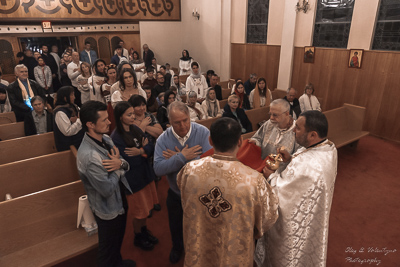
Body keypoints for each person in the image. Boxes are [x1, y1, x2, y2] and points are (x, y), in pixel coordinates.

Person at [177, 117, 279, 267]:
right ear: (240, 141)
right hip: (234, 253)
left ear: (210, 141)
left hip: (199, 246)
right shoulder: (254, 180)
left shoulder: (190, 170)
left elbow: (184, 196)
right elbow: (268, 218)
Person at [255, 110, 338, 267]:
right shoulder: (328, 148)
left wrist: (270, 175)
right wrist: (290, 159)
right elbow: (304, 175)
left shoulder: (307, 165)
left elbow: (284, 194)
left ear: (312, 135)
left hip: (294, 227)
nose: (293, 130)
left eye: (298, 128)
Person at [77, 101, 136, 267]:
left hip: (120, 199)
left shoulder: (106, 138)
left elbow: (124, 162)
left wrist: (120, 164)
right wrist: (119, 167)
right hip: (108, 209)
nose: (110, 122)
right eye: (104, 120)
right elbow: (107, 189)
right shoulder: (89, 156)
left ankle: (118, 262)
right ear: (90, 124)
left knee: (117, 241)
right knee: (107, 250)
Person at [154, 101, 212, 264]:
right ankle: (177, 247)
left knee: (201, 225)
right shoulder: (162, 140)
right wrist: (182, 157)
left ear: (189, 116)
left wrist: (181, 159)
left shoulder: (202, 132)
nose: (182, 126)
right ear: (169, 122)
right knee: (176, 225)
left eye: (185, 120)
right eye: (177, 122)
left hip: (200, 191)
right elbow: (158, 169)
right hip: (176, 193)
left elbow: (209, 163)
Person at [111, 101, 159, 251]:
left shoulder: (135, 129)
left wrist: (140, 151)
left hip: (145, 174)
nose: (133, 116)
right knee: (139, 211)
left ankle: (144, 231)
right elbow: (128, 160)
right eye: (129, 114)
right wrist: (143, 151)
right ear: (120, 117)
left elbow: (151, 146)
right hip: (133, 179)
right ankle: (138, 236)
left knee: (147, 208)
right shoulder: (116, 137)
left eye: (133, 113)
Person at [53, 86, 84, 151]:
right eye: (72, 95)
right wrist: (79, 120)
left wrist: (78, 120)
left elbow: (83, 114)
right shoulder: (60, 112)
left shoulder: (73, 106)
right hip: (69, 146)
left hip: (79, 141)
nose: (74, 97)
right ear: (65, 98)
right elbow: (68, 131)